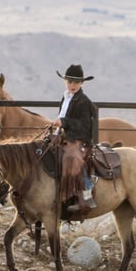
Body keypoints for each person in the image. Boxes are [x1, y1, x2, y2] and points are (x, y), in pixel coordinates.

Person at [51, 64, 98, 212]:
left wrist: (63, 122)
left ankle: (86, 194)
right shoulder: (65, 98)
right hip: (64, 136)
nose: (72, 85)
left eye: (76, 82)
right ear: (65, 82)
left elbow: (85, 126)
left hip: (78, 138)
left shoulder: (83, 101)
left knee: (73, 158)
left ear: (82, 83)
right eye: (70, 82)